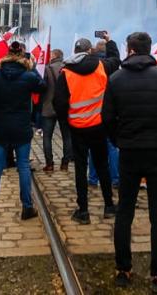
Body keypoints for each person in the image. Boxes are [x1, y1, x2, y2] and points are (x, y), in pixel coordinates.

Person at [102, 32, 157, 291]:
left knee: (124, 211)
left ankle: (123, 269)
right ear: (150, 50)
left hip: (129, 152)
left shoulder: (116, 79)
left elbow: (106, 118)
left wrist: (120, 141)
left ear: (129, 49)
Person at [54, 33, 120, 225]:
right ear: (90, 51)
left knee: (81, 169)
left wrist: (65, 125)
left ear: (74, 51)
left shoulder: (65, 73)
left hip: (77, 128)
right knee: (102, 166)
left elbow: (59, 103)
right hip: (99, 126)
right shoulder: (101, 66)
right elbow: (116, 60)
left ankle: (83, 210)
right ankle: (109, 206)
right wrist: (109, 40)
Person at [0, 41, 46, 220]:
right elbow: (42, 86)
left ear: (7, 55)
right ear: (21, 56)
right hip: (21, 127)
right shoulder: (28, 75)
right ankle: (27, 207)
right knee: (23, 166)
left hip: (0, 126)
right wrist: (31, 68)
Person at [40, 49, 70, 171]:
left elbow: (42, 87)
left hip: (49, 106)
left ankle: (49, 163)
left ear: (54, 56)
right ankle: (65, 163)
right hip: (64, 107)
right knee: (67, 137)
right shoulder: (68, 69)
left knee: (47, 136)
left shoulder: (46, 69)